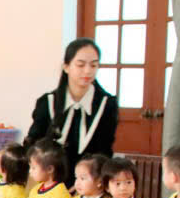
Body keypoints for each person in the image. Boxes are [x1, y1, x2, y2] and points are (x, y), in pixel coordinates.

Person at [25, 38, 118, 187]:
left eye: (94, 65)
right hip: (49, 186)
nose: (88, 71)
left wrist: (87, 184)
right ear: (66, 67)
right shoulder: (47, 102)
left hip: (89, 188)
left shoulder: (107, 104)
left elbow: (105, 152)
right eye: (80, 65)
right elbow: (33, 146)